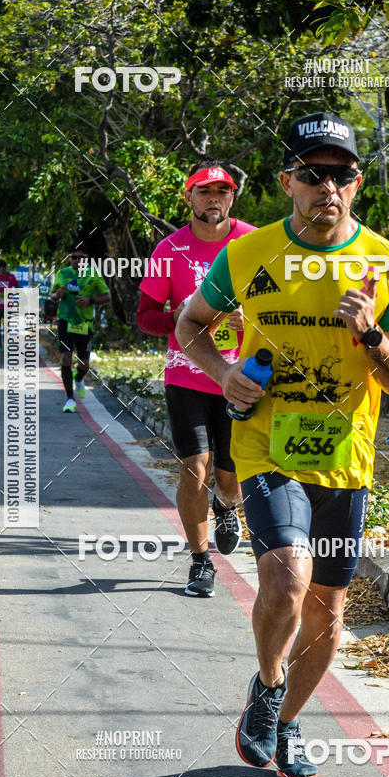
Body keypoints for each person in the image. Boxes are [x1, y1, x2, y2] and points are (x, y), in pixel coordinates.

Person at [176, 112, 389, 777]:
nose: (328, 186)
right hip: (266, 447)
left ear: (358, 183)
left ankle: (282, 720)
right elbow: (190, 324)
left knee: (329, 616)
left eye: (341, 174)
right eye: (313, 174)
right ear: (288, 183)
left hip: (346, 458)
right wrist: (225, 373)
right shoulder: (249, 256)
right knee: (287, 575)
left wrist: (371, 336)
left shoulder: (388, 265)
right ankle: (266, 682)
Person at [136, 160, 256, 598]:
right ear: (189, 198)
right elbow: (146, 318)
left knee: (230, 476)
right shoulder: (169, 251)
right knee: (194, 468)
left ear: (232, 198)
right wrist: (184, 315)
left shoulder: (255, 244)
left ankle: (226, 506)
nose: (213, 200)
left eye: (221, 192)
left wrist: (251, 319)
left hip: (242, 377)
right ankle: (200, 561)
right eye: (204, 192)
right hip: (187, 375)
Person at [51, 245, 111, 412]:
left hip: (85, 323)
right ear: (69, 258)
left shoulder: (93, 273)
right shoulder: (62, 274)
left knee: (84, 363)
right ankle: (70, 399)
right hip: (65, 321)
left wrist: (90, 300)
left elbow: (107, 296)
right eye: (74, 257)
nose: (77, 260)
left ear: (86, 258)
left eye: (81, 257)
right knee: (66, 358)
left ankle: (79, 377)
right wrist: (58, 295)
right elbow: (53, 294)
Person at [0, 259, 19, 352]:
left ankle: (6, 343)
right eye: (0, 268)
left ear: (6, 267)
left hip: (7, 306)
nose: (2, 270)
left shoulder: (11, 277)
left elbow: (18, 288)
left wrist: (13, 292)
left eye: (4, 268)